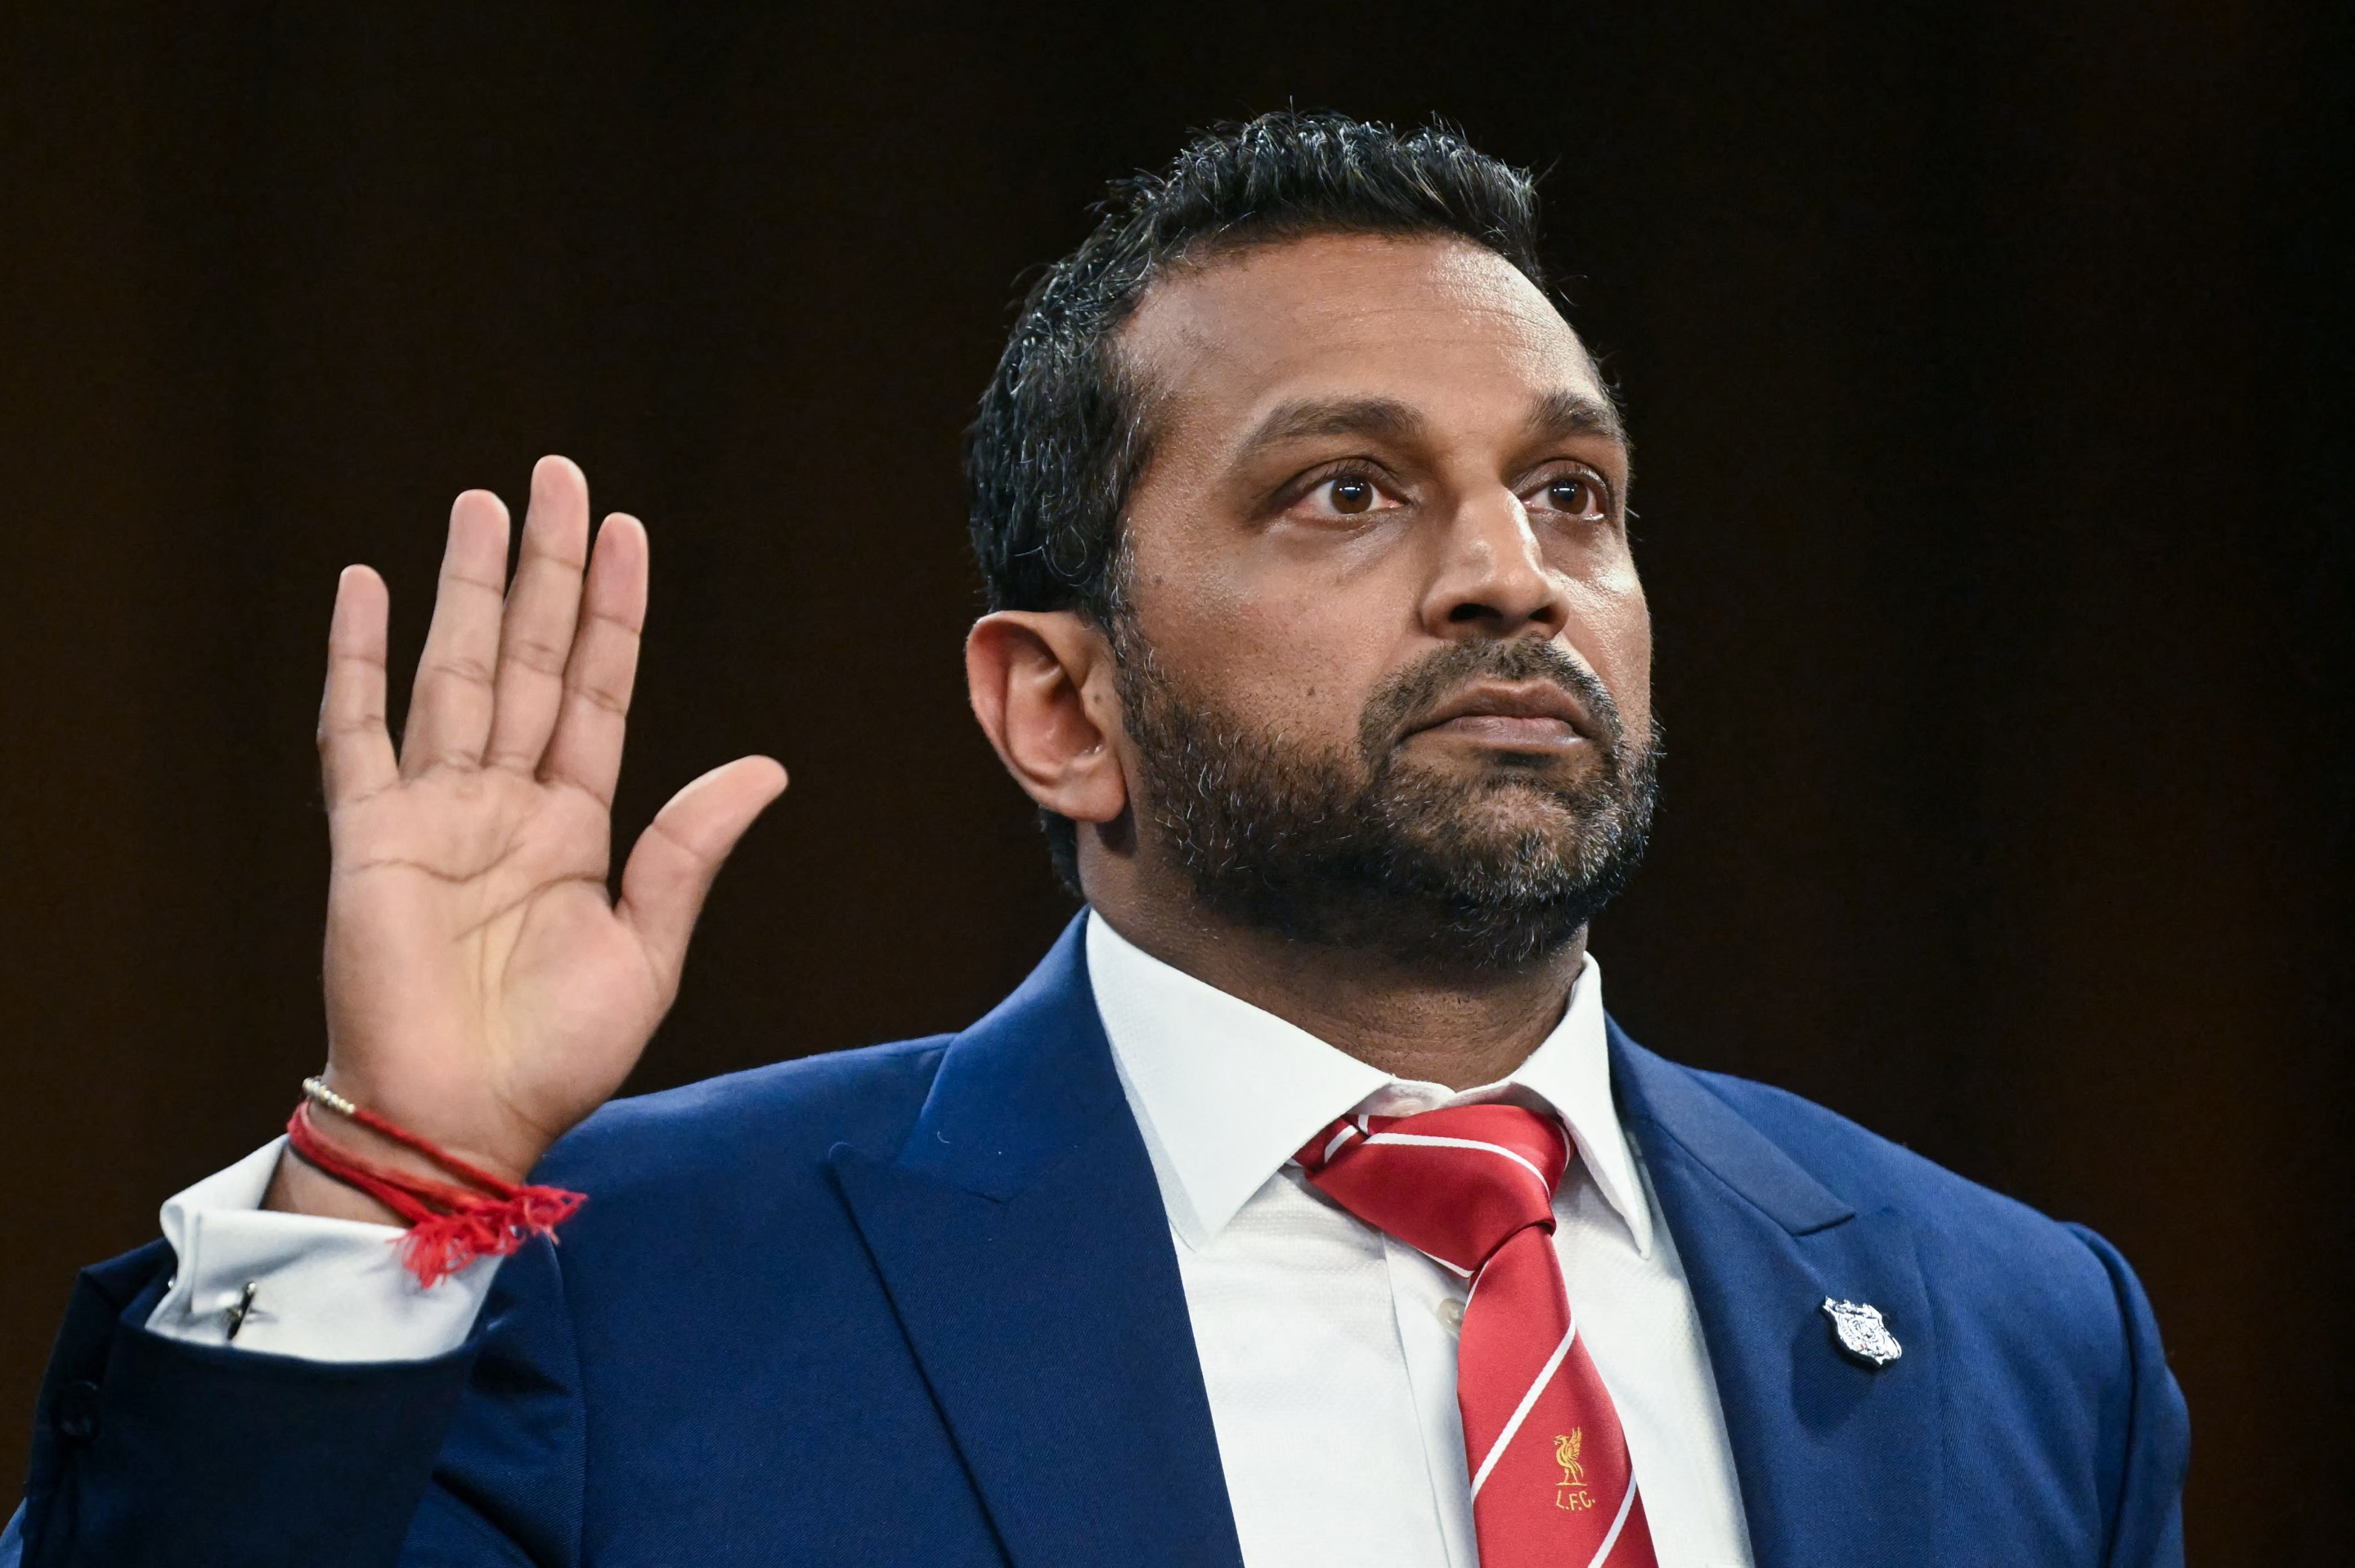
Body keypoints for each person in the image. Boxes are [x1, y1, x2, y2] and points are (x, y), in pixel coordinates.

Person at [3, 113, 2186, 1568]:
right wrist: (395, 1176)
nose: (1511, 574)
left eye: (1575, 492)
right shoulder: (628, 1294)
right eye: (1347, 490)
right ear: (1061, 707)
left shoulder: (2018, 1331)